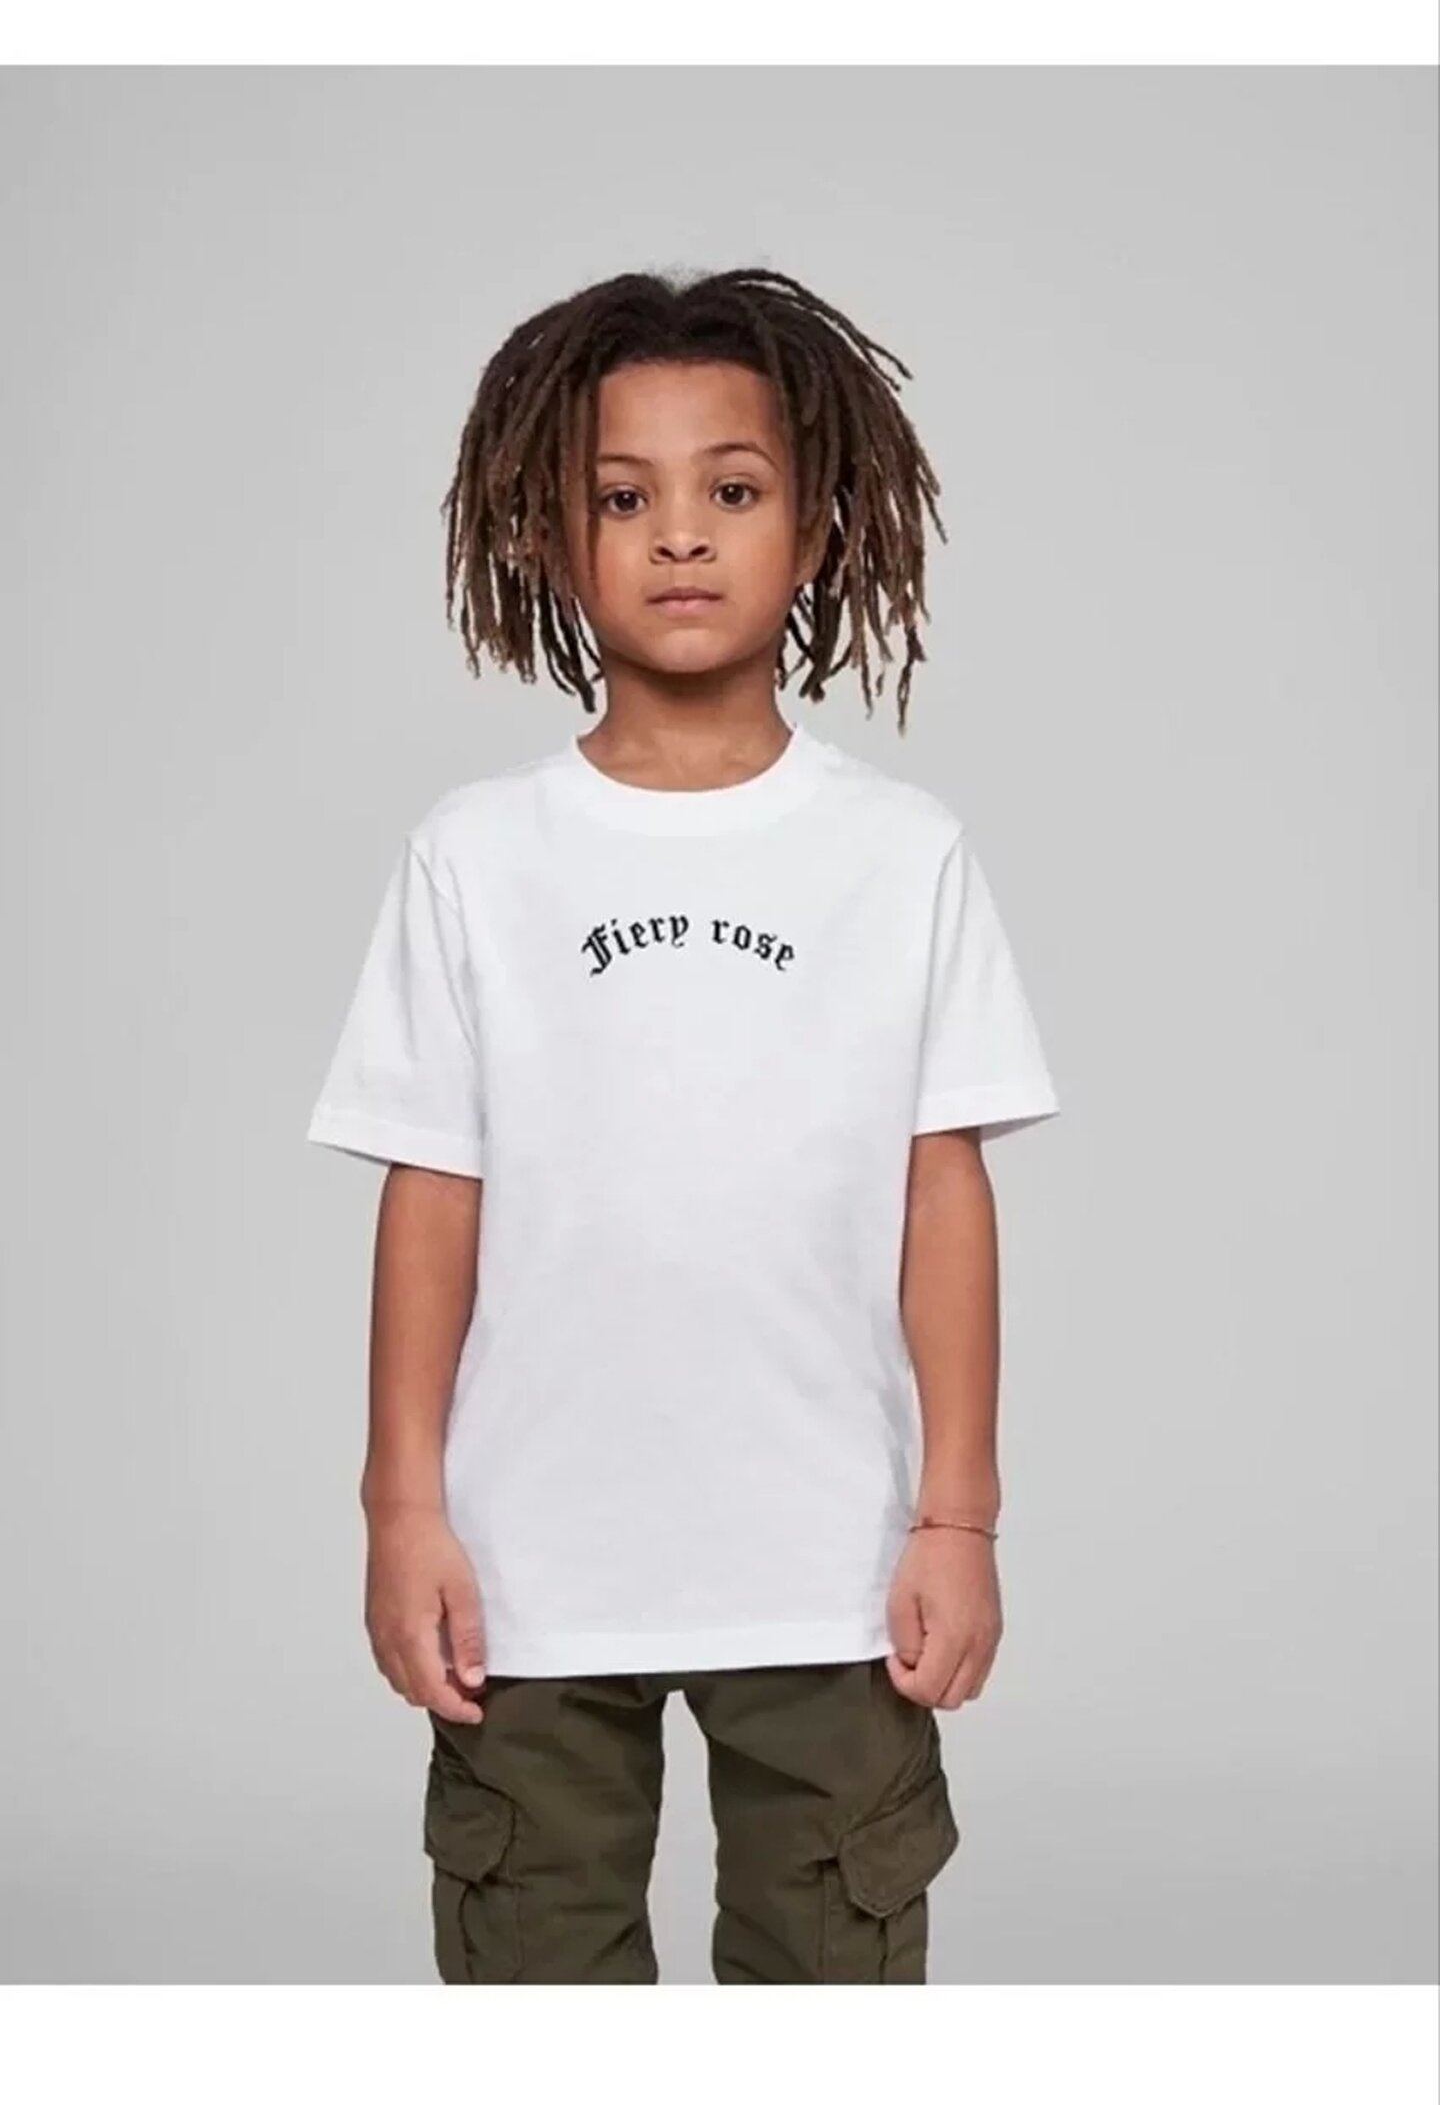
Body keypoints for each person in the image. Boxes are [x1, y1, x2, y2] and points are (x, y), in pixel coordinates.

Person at [305, 265, 1060, 1985]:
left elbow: (942, 1193)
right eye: (622, 499)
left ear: (818, 523)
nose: (682, 537)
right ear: (545, 537)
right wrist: (401, 1509)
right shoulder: (478, 855)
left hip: (833, 1567)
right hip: (528, 1574)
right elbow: (432, 1194)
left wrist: (958, 1517)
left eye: (731, 488)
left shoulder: (901, 855)